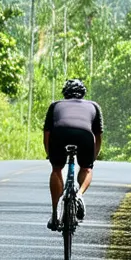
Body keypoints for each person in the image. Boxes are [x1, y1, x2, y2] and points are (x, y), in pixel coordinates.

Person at [42, 78, 103, 231]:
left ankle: (55, 214)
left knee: (56, 170)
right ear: (83, 94)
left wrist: (51, 156)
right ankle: (79, 195)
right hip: (85, 136)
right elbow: (98, 136)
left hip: (59, 134)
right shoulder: (94, 106)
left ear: (65, 94)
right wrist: (91, 159)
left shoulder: (55, 105)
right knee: (86, 169)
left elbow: (47, 134)